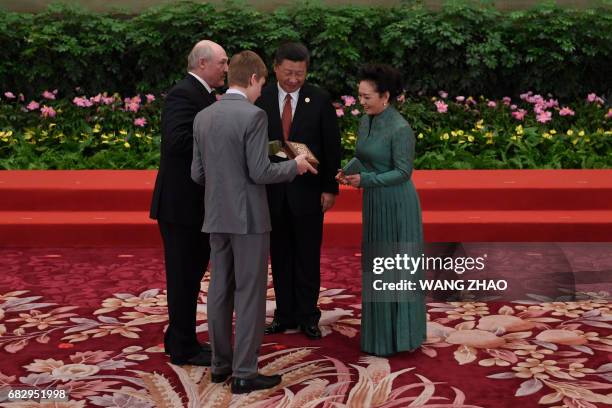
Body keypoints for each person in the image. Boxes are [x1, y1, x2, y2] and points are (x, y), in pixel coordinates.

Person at [191, 50, 317, 393]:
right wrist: (296, 165)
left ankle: (219, 365)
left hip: (215, 216)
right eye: (262, 84)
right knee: (249, 294)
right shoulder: (254, 115)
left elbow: (197, 173)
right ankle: (245, 372)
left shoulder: (203, 116)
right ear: (252, 79)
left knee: (218, 291)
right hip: (249, 219)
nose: (263, 91)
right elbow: (260, 172)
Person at [336, 64, 426, 356]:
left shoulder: (401, 129)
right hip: (375, 201)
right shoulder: (367, 120)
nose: (360, 102)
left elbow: (403, 172)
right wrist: (346, 172)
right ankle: (380, 336)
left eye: (366, 97)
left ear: (385, 96)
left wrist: (366, 180)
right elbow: (364, 157)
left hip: (398, 204)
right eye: (359, 96)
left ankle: (401, 338)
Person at [150, 40, 228, 366]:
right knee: (183, 278)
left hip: (192, 205)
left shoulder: (202, 94)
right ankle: (183, 347)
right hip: (181, 206)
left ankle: (179, 338)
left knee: (190, 277)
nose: (226, 68)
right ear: (202, 64)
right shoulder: (184, 93)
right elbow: (177, 140)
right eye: (222, 62)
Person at [256, 42, 341, 340]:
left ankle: (308, 316)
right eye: (289, 72)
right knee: (279, 256)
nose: (294, 79)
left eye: (300, 73)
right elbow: (255, 144)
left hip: (309, 192)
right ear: (276, 67)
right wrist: (282, 150)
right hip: (273, 192)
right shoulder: (261, 97)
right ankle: (284, 314)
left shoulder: (318, 99)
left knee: (307, 257)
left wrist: (330, 188)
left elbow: (332, 146)